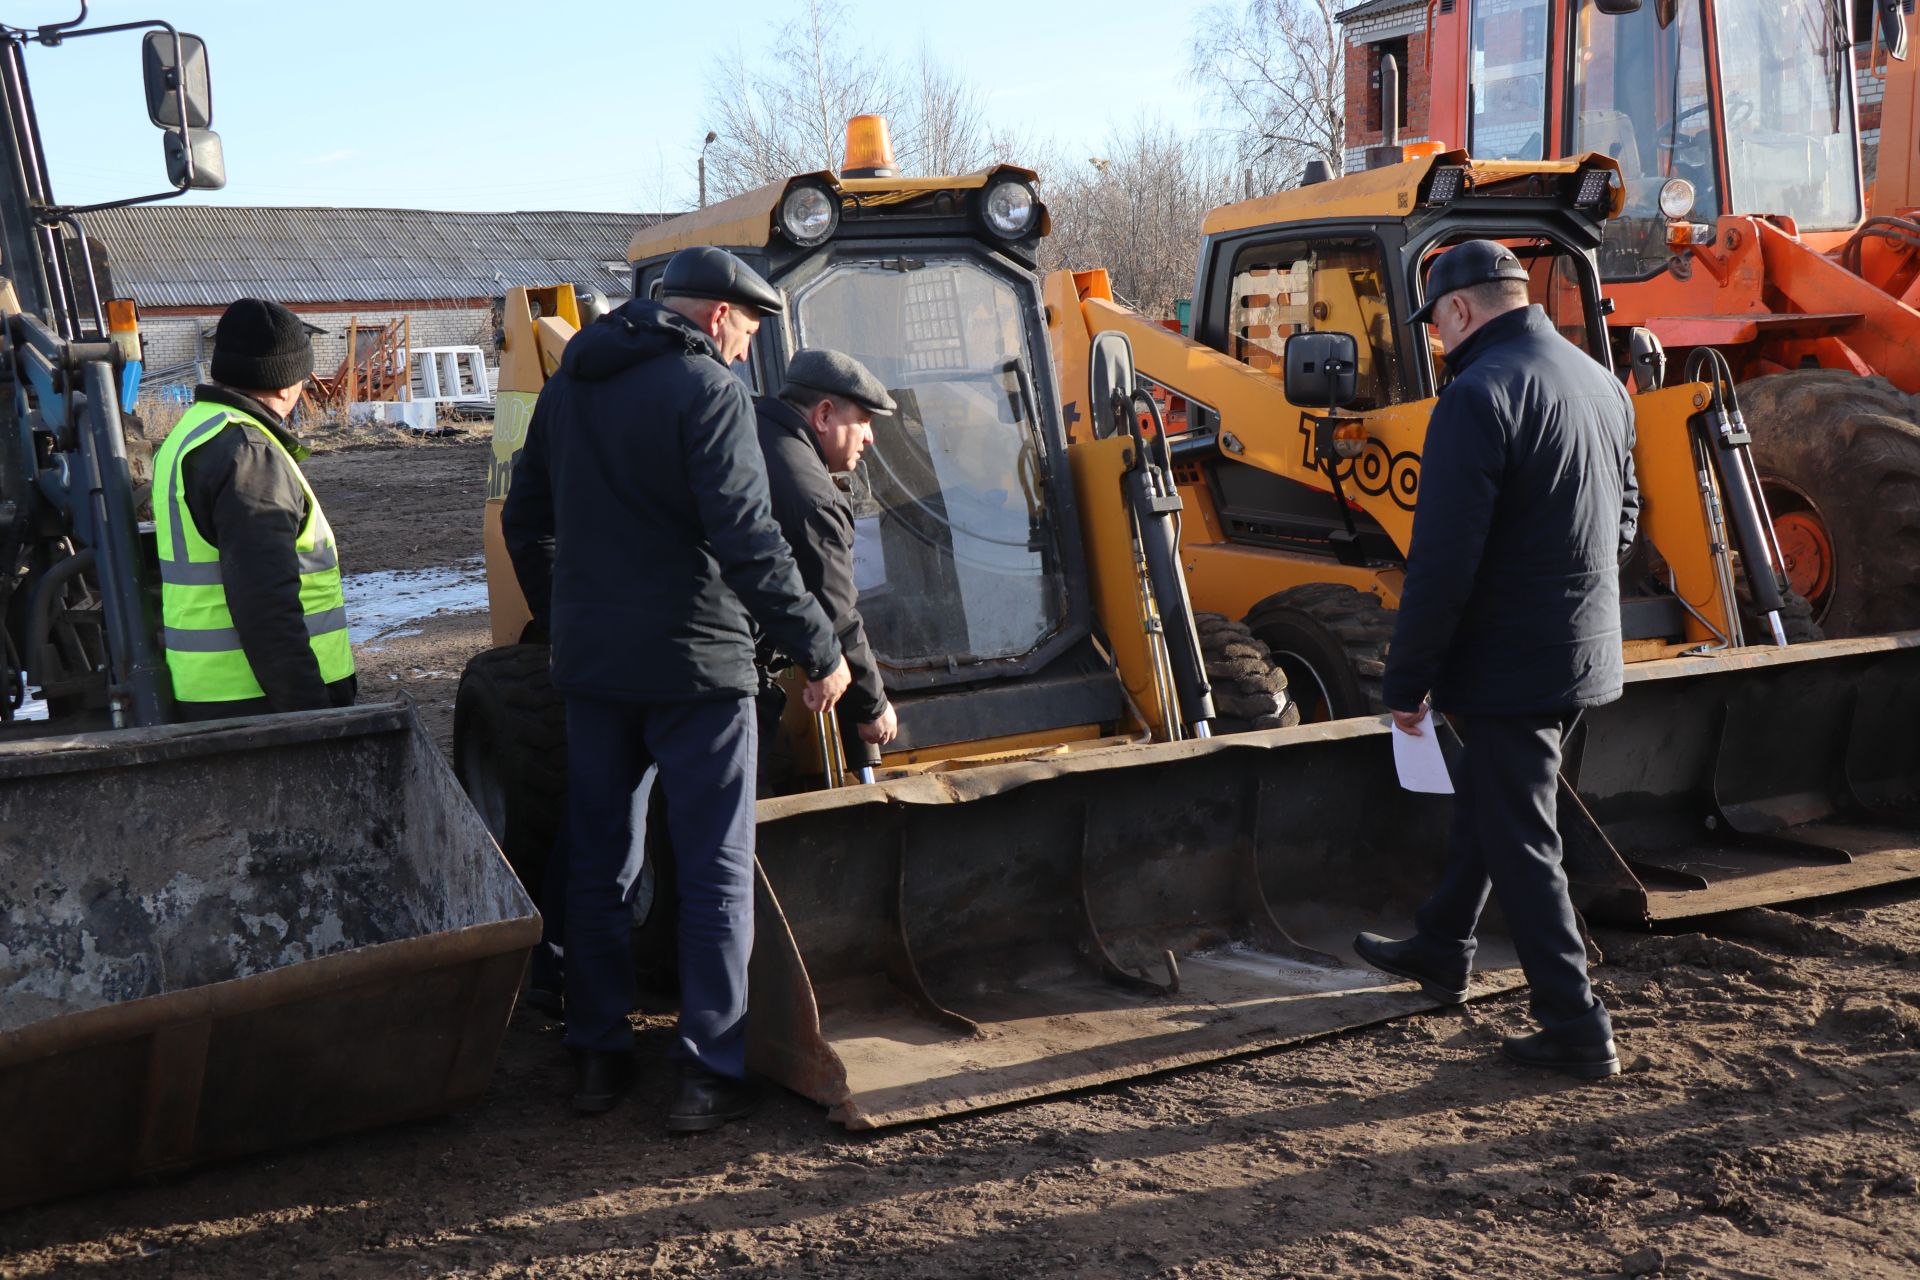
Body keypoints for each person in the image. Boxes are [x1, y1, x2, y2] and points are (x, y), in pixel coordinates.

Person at [502, 245, 850, 1130]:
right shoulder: (708, 393)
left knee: (602, 855)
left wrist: (568, 615)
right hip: (698, 671)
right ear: (719, 315)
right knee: (713, 869)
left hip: (595, 672)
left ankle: (595, 1059)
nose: (747, 352)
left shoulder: (570, 388)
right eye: (750, 331)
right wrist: (820, 646)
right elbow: (747, 539)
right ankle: (705, 1075)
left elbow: (524, 517)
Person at [1354, 239, 1639, 1080]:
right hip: (1579, 655)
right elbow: (1622, 519)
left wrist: (1406, 684)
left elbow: (1442, 564)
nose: (1438, 340)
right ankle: (1444, 945)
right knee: (1494, 801)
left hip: (1511, 667)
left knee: (1523, 839)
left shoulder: (1478, 397)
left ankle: (1576, 1025)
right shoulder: (1600, 383)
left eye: (1436, 324)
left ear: (1460, 310)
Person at [151, 297, 356, 720]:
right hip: (262, 706)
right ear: (285, 382)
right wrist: (311, 713)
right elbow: (265, 603)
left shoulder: (193, 432)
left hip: (217, 694)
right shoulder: (248, 453)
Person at [753, 349, 900, 785]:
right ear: (823, 415)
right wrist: (872, 707)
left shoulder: (753, 434)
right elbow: (834, 609)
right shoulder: (811, 495)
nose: (870, 438)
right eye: (865, 421)